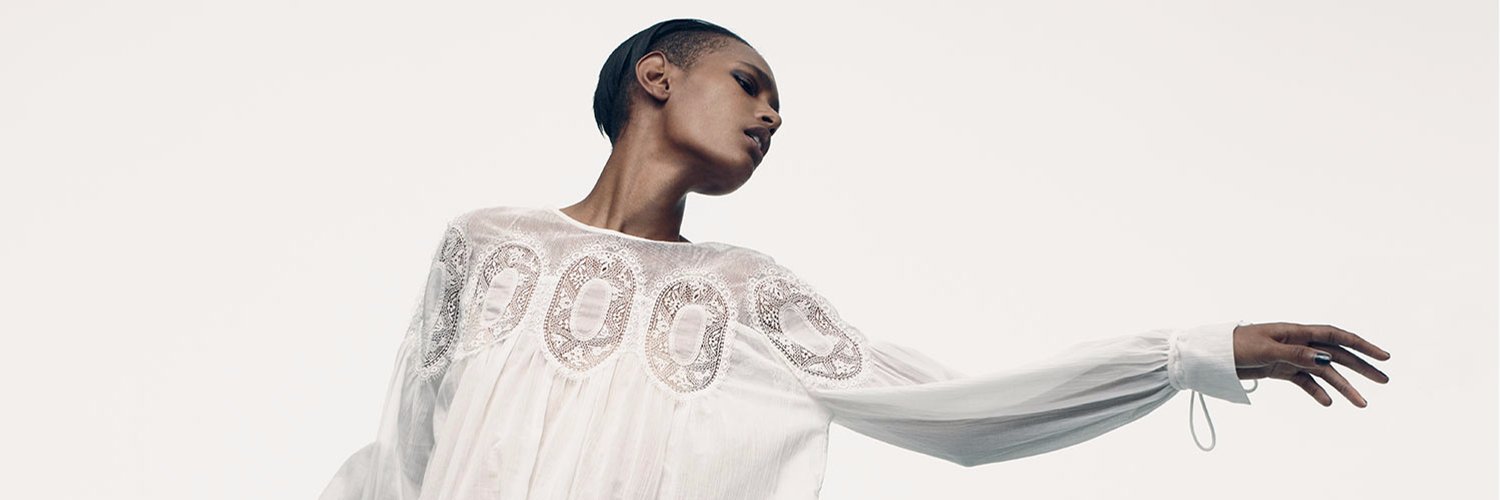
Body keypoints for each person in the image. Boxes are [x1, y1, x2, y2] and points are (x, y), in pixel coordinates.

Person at [318, 18, 1392, 500]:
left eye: (777, 102)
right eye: (750, 84)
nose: (773, 115)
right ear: (656, 75)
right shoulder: (488, 243)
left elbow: (962, 409)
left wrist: (1190, 354)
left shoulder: (746, 296)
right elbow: (404, 457)